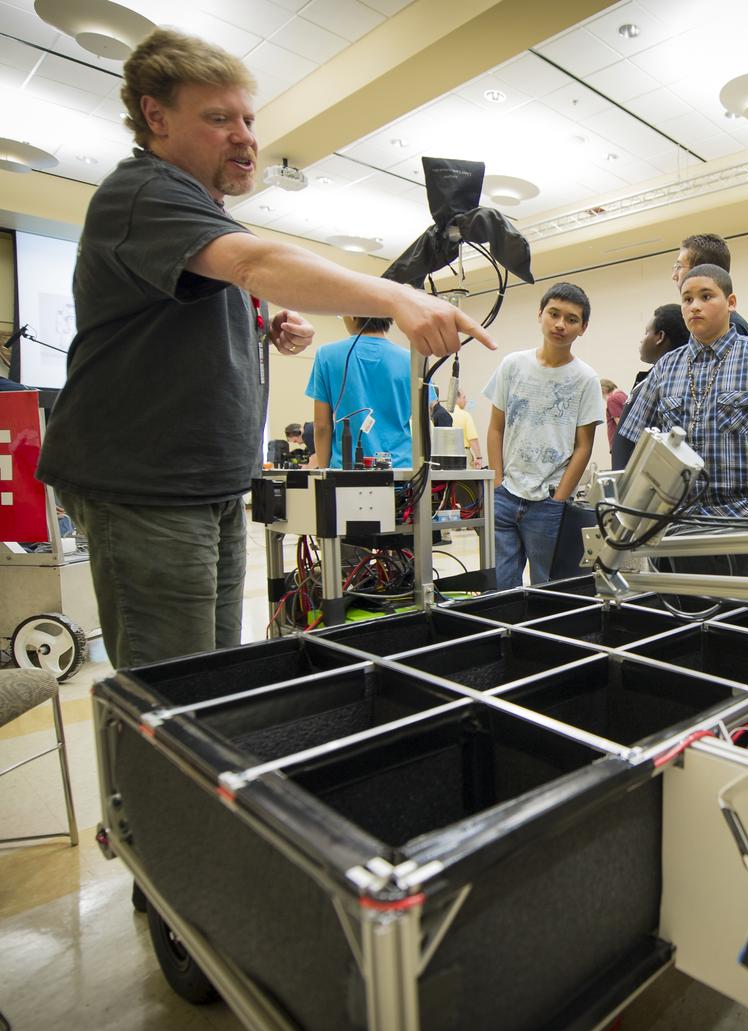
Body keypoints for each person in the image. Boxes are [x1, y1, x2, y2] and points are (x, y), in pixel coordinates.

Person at [34, 28, 491, 671]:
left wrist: (267, 328)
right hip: (148, 484)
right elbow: (255, 261)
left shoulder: (202, 213)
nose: (245, 135)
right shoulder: (143, 192)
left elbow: (187, 311)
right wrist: (395, 296)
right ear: (155, 116)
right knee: (178, 694)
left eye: (247, 117)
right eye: (218, 118)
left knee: (218, 676)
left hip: (209, 483)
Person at [617, 264, 748, 578]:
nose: (694, 306)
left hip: (746, 519)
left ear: (731, 302)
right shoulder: (666, 367)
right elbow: (635, 436)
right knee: (691, 621)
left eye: (706, 296)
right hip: (681, 528)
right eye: (687, 299)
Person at [484, 282, 604, 589]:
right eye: (554, 314)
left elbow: (583, 447)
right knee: (501, 588)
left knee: (548, 588)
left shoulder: (586, 379)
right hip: (505, 495)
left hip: (548, 502)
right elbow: (496, 427)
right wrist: (497, 482)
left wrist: (559, 498)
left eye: (571, 319)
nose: (560, 324)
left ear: (583, 328)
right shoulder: (513, 365)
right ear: (540, 314)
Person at [307, 316, 419, 468]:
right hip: (401, 470)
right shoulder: (410, 359)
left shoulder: (326, 355)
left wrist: (325, 471)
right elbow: (424, 418)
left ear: (353, 313)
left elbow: (322, 426)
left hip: (346, 472)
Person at [611, 303, 689, 472]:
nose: (642, 339)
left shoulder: (669, 382)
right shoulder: (648, 378)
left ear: (660, 336)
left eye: (646, 332)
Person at [673, 234, 748, 337]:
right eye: (688, 300)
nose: (674, 276)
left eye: (679, 267)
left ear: (702, 269)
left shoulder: (733, 326)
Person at [449, 389, 484, 467]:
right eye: (464, 398)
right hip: (463, 454)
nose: (466, 401)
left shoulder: (445, 414)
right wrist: (479, 457)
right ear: (456, 398)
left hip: (447, 455)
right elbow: (473, 439)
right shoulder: (465, 415)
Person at [601, 378, 628, 449]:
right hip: (626, 442)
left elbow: (620, 424)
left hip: (619, 443)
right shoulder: (622, 395)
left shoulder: (612, 400)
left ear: (604, 390)